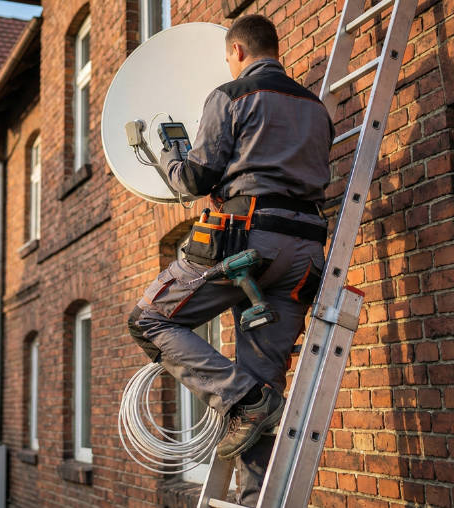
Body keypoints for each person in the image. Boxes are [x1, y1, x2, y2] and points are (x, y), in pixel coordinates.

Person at [127, 14, 334, 505]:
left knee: (148, 321)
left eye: (227, 56)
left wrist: (175, 161)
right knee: (263, 376)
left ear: (237, 52)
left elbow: (196, 180)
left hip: (244, 240)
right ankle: (254, 490)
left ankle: (243, 398)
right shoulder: (318, 109)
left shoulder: (231, 95)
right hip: (304, 251)